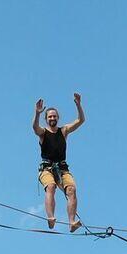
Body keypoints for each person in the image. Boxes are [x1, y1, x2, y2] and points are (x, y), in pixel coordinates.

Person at [33, 92, 85, 232]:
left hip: (62, 168)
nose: (52, 118)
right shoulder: (43, 133)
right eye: (50, 116)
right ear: (46, 119)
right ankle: (51, 217)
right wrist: (37, 113)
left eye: (54, 116)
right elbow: (35, 128)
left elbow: (80, 120)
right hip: (46, 169)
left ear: (58, 118)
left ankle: (72, 222)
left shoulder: (64, 131)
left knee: (72, 190)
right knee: (51, 186)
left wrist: (78, 105)